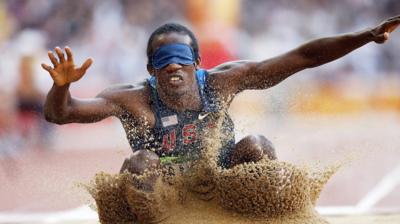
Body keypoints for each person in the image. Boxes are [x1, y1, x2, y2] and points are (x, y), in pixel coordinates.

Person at [41, 16, 399, 178]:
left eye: (182, 60)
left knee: (257, 144)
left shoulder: (221, 83)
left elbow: (303, 58)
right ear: (151, 69)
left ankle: (267, 216)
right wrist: (61, 86)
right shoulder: (133, 100)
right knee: (141, 162)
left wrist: (365, 35)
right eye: (164, 63)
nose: (174, 68)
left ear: (197, 63)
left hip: (217, 176)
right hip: (161, 187)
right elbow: (62, 114)